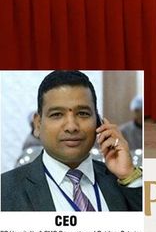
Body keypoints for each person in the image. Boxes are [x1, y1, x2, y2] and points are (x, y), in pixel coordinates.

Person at [1, 70, 143, 212]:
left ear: (99, 122)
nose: (71, 127)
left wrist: (129, 176)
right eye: (57, 114)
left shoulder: (120, 180)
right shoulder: (6, 190)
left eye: (83, 113)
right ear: (38, 124)